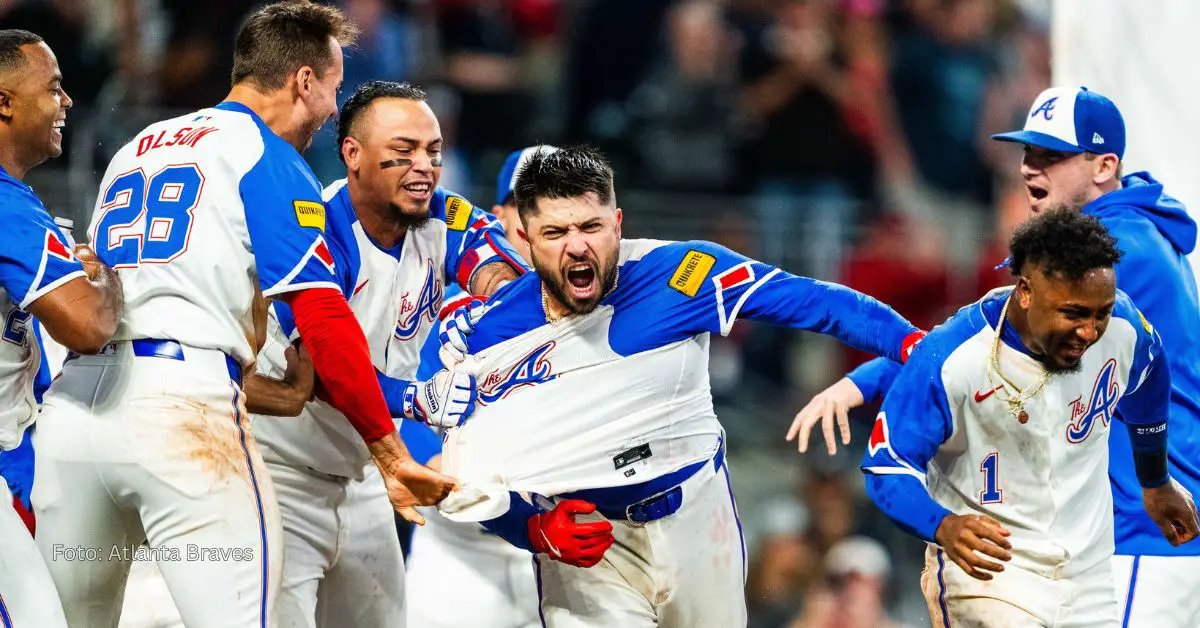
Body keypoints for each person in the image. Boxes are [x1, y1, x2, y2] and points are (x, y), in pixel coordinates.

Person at [30, 4, 454, 627]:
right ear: (304, 81)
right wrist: (390, 455)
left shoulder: (137, 147)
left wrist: (272, 390)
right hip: (180, 416)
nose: (335, 108)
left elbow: (118, 300)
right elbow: (322, 318)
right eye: (334, 88)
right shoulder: (269, 157)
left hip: (76, 414)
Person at [420, 146, 927, 627]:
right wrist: (532, 529)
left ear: (617, 224)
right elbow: (463, 472)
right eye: (556, 232)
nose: (577, 245)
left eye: (591, 226)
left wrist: (919, 352)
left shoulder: (682, 274)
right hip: (590, 546)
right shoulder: (488, 335)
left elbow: (820, 303)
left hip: (696, 520)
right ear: (525, 240)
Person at [793, 86, 1200, 626]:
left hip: (1140, 531)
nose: (1032, 169)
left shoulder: (1112, 252)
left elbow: (981, 335)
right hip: (1148, 526)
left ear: (1104, 166)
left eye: (1053, 156)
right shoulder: (1138, 231)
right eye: (1028, 153)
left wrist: (865, 381)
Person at [249, 80, 525, 628]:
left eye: (432, 152)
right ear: (352, 154)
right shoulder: (314, 227)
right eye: (402, 153)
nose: (422, 166)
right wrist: (419, 397)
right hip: (280, 477)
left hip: (369, 479)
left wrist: (488, 306)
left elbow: (495, 262)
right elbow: (325, 368)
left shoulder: (441, 213)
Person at [861, 207, 1198, 626]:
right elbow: (887, 464)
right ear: (1025, 291)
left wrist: (1155, 481)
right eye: (1073, 313)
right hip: (992, 576)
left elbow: (1149, 377)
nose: (1090, 331)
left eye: (1101, 313)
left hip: (1088, 577)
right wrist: (941, 524)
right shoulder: (953, 357)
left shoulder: (1124, 326)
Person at [0, 28, 124, 627]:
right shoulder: (5, 203)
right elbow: (88, 324)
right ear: (4, 102)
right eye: (52, 88)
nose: (66, 101)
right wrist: (109, 276)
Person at [404, 146, 551, 628]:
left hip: (567, 559)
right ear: (501, 215)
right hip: (459, 560)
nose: (546, 213)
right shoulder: (448, 308)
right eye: (529, 199)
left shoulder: (604, 312)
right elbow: (406, 412)